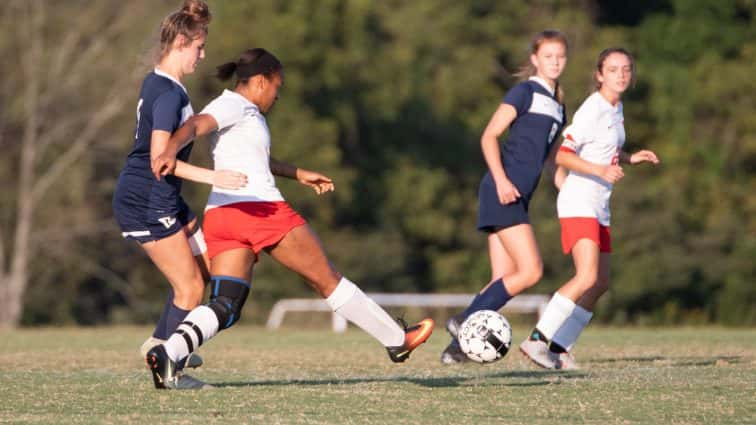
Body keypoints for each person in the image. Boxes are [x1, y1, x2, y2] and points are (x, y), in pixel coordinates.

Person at [146, 48, 434, 389]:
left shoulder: (245, 112)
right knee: (328, 279)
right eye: (276, 85)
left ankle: (169, 353)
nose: (278, 94)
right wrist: (168, 148)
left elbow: (254, 161)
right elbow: (195, 125)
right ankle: (396, 339)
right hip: (259, 210)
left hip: (224, 215)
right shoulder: (233, 104)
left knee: (227, 304)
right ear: (260, 81)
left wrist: (297, 173)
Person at [112, 0, 247, 385]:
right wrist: (215, 178)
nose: (203, 56)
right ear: (182, 43)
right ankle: (170, 369)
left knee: (205, 269)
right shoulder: (170, 94)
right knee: (189, 288)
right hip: (147, 198)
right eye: (200, 47)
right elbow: (159, 160)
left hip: (163, 196)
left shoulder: (159, 81)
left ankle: (161, 344)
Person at [519, 48, 659, 370]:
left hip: (599, 204)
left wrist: (628, 157)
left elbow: (603, 147)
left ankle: (558, 347)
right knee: (586, 276)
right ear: (599, 75)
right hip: (579, 200)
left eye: (626, 69)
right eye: (613, 69)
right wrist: (599, 171)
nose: (621, 75)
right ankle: (537, 341)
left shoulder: (615, 107)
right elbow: (563, 155)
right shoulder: (593, 108)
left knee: (600, 282)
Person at [440, 30, 569, 364]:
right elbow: (489, 136)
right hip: (502, 190)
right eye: (548, 56)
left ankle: (457, 351)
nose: (555, 62)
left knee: (501, 281)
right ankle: (464, 321)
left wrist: (569, 191)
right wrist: (500, 180)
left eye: (560, 56)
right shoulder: (524, 91)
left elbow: (552, 160)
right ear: (535, 59)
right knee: (531, 270)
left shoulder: (559, 107)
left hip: (519, 196)